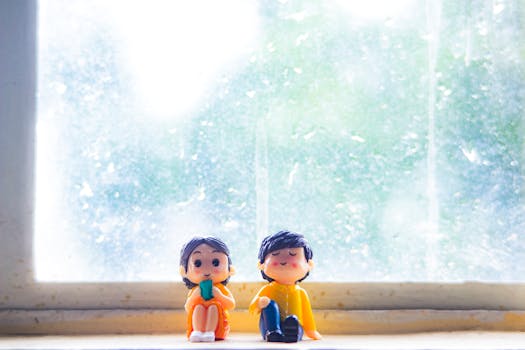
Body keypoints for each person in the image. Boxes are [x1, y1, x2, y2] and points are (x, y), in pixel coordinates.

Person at [249, 230, 322, 342]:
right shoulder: (268, 289)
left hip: (296, 325)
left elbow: (307, 315)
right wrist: (260, 303)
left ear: (309, 265)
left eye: (292, 255)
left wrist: (311, 331)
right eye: (275, 255)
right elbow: (252, 308)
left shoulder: (300, 293)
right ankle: (274, 331)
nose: (283, 261)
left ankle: (292, 332)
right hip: (269, 327)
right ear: (262, 264)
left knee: (294, 322)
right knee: (270, 304)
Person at [179, 236, 236, 342]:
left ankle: (210, 331)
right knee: (198, 307)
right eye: (197, 263)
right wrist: (194, 296)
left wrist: (219, 296)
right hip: (197, 324)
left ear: (230, 269)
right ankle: (198, 331)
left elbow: (231, 305)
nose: (206, 270)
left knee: (213, 307)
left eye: (215, 263)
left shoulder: (220, 289)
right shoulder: (195, 290)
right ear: (184, 271)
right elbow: (188, 307)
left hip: (219, 327)